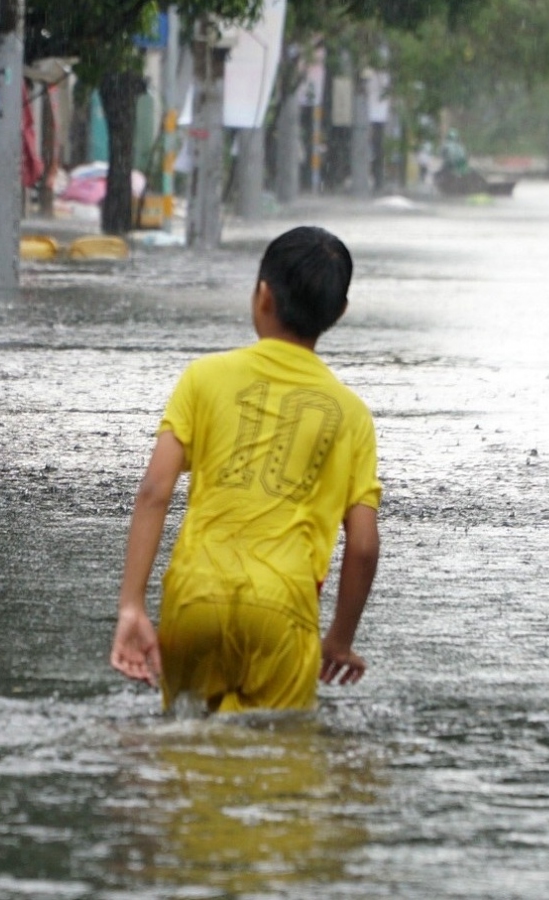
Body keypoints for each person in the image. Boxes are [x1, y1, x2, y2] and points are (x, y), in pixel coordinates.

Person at [109, 226, 381, 713]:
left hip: (194, 602)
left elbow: (154, 489)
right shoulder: (351, 415)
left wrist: (132, 604)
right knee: (276, 769)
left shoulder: (204, 378)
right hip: (283, 612)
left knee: (183, 759)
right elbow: (362, 545)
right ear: (338, 313)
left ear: (261, 295)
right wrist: (338, 640)